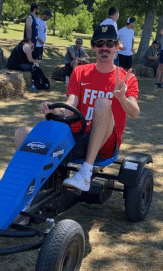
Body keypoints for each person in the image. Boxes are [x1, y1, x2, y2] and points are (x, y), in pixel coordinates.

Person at [15, 25, 140, 192]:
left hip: (105, 143)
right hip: (76, 137)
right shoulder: (80, 72)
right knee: (22, 133)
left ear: (117, 47)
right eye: (99, 43)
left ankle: (85, 174)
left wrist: (121, 97)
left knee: (102, 102)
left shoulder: (127, 78)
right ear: (93, 47)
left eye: (109, 44)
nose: (104, 48)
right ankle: (26, 186)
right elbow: (70, 105)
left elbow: (134, 113)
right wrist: (53, 110)